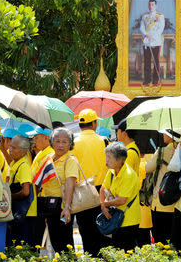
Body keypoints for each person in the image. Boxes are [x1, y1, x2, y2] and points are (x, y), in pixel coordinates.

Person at [71, 109, 109, 256]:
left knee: (85, 229)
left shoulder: (73, 142)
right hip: (101, 191)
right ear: (94, 123)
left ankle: (89, 256)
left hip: (82, 191)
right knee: (102, 229)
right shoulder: (104, 140)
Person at [100, 142, 140, 251]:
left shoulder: (128, 174)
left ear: (120, 159)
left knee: (127, 252)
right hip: (116, 219)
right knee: (117, 252)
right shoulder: (112, 171)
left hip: (128, 220)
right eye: (106, 157)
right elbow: (103, 189)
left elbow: (122, 200)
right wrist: (104, 207)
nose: (106, 160)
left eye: (109, 157)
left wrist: (105, 203)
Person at [44, 128, 78, 252]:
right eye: (57, 141)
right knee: (55, 241)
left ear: (70, 144)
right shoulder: (49, 158)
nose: (60, 145)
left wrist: (67, 207)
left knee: (65, 242)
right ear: (52, 143)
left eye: (65, 142)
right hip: (50, 205)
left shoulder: (70, 160)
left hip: (63, 206)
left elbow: (70, 184)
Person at [145, 129, 179, 243]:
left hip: (160, 200)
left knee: (160, 238)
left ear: (171, 136)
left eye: (166, 133)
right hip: (177, 202)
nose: (163, 134)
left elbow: (148, 168)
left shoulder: (161, 151)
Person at [7, 135, 37, 245]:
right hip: (19, 213)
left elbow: (26, 192)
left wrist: (9, 196)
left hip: (26, 213)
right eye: (10, 146)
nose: (10, 150)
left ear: (24, 151)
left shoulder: (24, 165)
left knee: (22, 246)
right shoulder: (14, 163)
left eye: (14, 148)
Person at [26, 126, 53, 245]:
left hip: (44, 202)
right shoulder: (42, 152)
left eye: (36, 137)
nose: (34, 140)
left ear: (46, 138)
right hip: (37, 203)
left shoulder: (50, 154)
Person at [140, 0, 165, 85]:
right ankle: (147, 79)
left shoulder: (160, 16)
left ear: (156, 6)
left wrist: (152, 37)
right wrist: (146, 35)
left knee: (156, 61)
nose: (151, 6)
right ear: (148, 5)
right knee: (147, 61)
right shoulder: (145, 16)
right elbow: (142, 27)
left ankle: (155, 79)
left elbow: (160, 29)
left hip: (156, 42)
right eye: (150, 4)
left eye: (153, 4)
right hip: (147, 42)